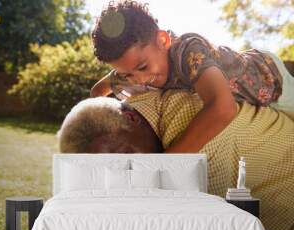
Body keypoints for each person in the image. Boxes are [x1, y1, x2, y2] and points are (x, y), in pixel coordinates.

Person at [57, 89, 294, 230]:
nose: (130, 176)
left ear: (130, 118)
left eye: (127, 155)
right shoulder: (150, 103)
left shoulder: (192, 124)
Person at [90, 0, 294, 153]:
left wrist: (168, 161)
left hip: (272, 78)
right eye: (126, 74)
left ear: (163, 39)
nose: (140, 80)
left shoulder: (189, 50)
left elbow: (222, 108)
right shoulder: (135, 68)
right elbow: (98, 91)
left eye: (143, 67)